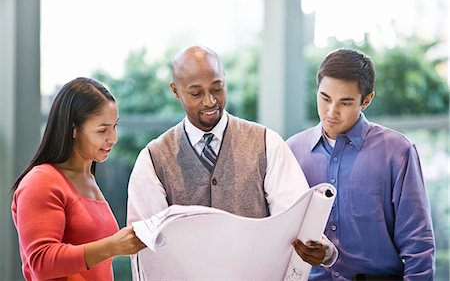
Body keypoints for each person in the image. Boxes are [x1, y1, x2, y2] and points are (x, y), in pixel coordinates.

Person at [126, 45, 337, 279]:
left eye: (217, 88)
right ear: (175, 90)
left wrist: (322, 250)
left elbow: (295, 218)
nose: (209, 101)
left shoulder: (267, 143)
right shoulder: (153, 159)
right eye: (196, 93)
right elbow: (146, 247)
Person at [287, 48, 435, 280]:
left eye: (345, 103)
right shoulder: (292, 151)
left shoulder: (397, 152)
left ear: (366, 100)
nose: (331, 112)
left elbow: (418, 245)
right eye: (325, 98)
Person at [11, 77, 146, 280]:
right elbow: (41, 261)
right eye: (102, 130)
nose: (113, 138)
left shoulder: (88, 179)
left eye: (114, 126)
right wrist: (112, 246)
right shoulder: (41, 181)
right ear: (74, 129)